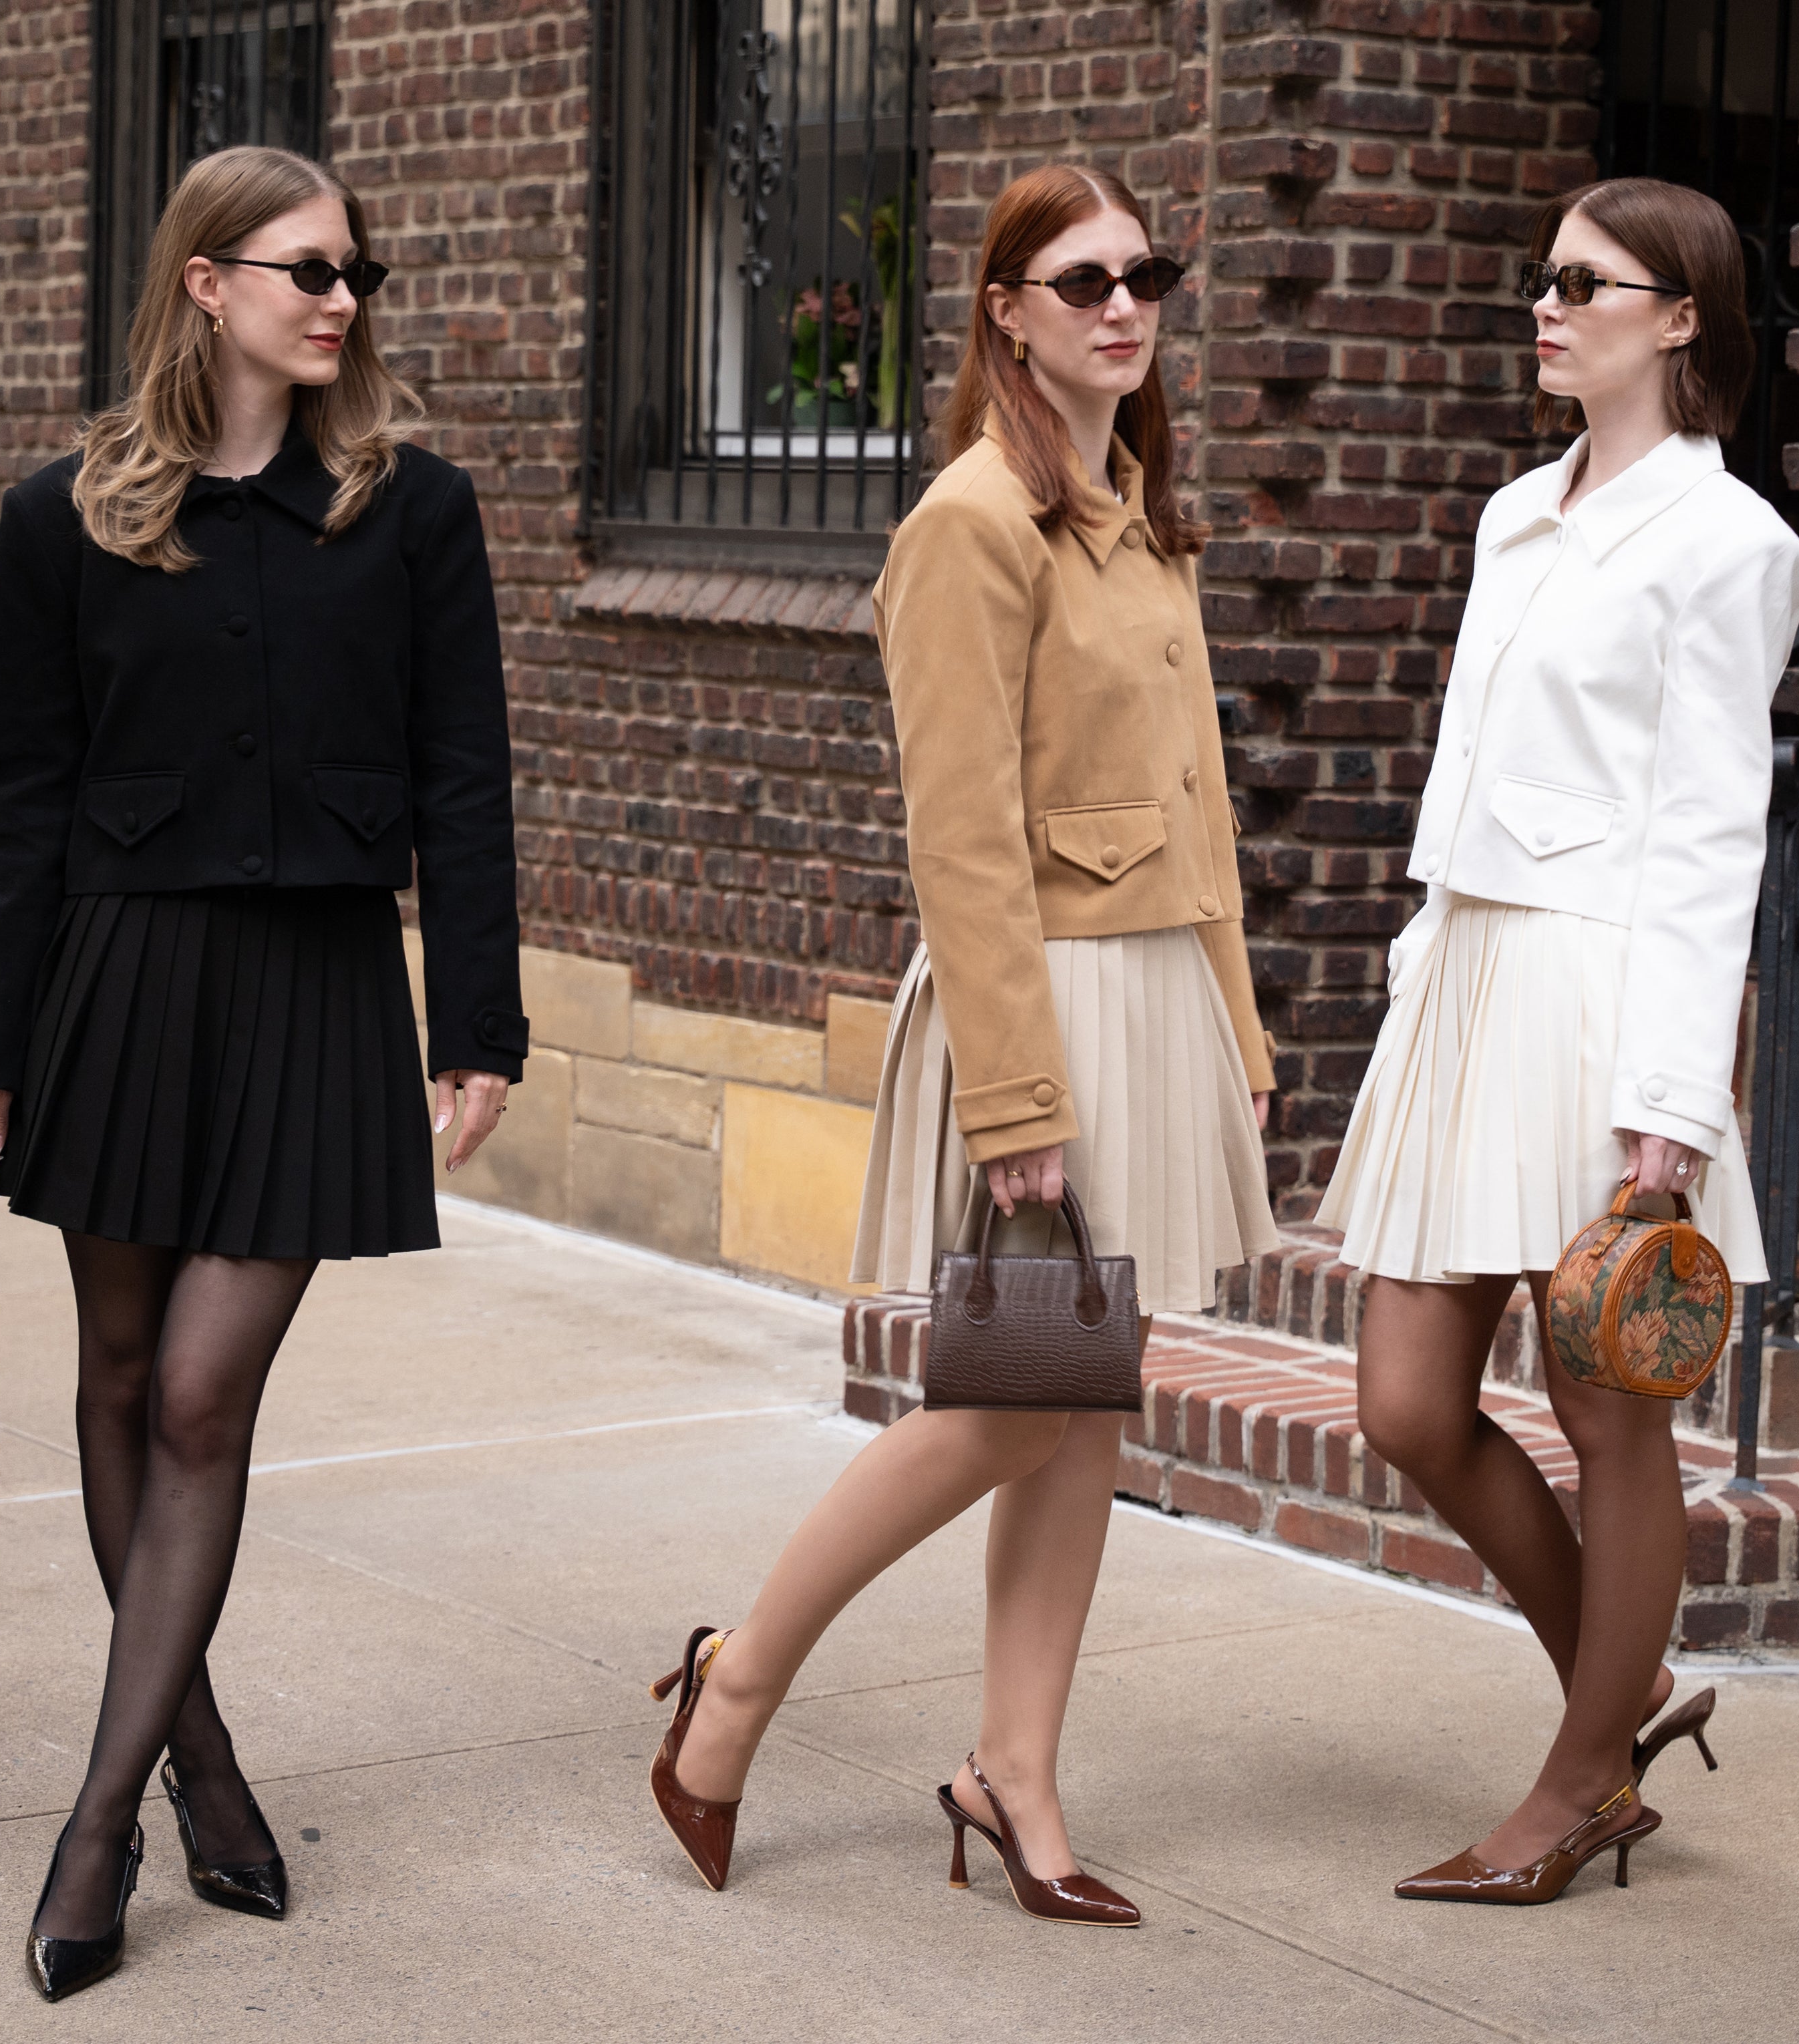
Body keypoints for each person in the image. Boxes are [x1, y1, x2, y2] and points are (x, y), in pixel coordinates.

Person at [643, 163, 1279, 1928]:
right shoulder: (971, 522)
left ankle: (1017, 1769)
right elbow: (964, 834)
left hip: (1152, 997)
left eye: (1145, 273)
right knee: (1012, 1405)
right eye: (1080, 281)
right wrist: (1018, 1095)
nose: (1122, 306)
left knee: (1081, 1416)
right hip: (1045, 1003)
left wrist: (1234, 1020)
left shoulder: (1137, 508)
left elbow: (1198, 802)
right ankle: (741, 1673)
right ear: (1002, 307)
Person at [0, 144, 527, 1999]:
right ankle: (199, 1756)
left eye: (358, 269)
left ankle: (99, 1824)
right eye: (306, 268)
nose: (343, 298)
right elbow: (22, 799)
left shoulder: (412, 510)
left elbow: (468, 776)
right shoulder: (68, 518)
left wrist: (480, 1019)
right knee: (115, 1376)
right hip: (118, 983)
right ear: (205, 283)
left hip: (317, 986)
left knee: (200, 1393)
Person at [1315, 177, 1799, 1904]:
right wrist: (1414, 978)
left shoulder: (1732, 544)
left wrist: (1667, 1108)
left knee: (1610, 1419)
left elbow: (1708, 836)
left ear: (1680, 317)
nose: (1548, 304)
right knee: (1405, 1401)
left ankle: (1582, 1775)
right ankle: (1626, 1688)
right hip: (1470, 981)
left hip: (1606, 1007)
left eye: (1585, 283)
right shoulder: (1514, 514)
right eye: (1545, 279)